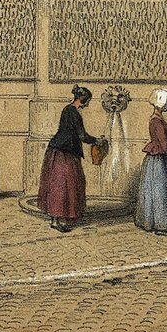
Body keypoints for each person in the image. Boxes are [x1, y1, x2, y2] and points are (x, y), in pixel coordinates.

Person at [37, 85, 106, 233]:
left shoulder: (67, 109)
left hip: (59, 151)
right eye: (88, 101)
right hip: (64, 153)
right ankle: (57, 220)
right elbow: (82, 136)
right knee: (63, 186)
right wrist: (96, 141)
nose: (88, 104)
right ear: (82, 100)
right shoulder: (73, 113)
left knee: (60, 185)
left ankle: (58, 219)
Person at [135, 89, 167, 236]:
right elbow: (165, 147)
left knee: (158, 191)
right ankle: (162, 226)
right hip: (160, 161)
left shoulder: (156, 118)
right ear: (161, 102)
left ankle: (154, 223)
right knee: (161, 192)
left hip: (156, 160)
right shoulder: (158, 121)